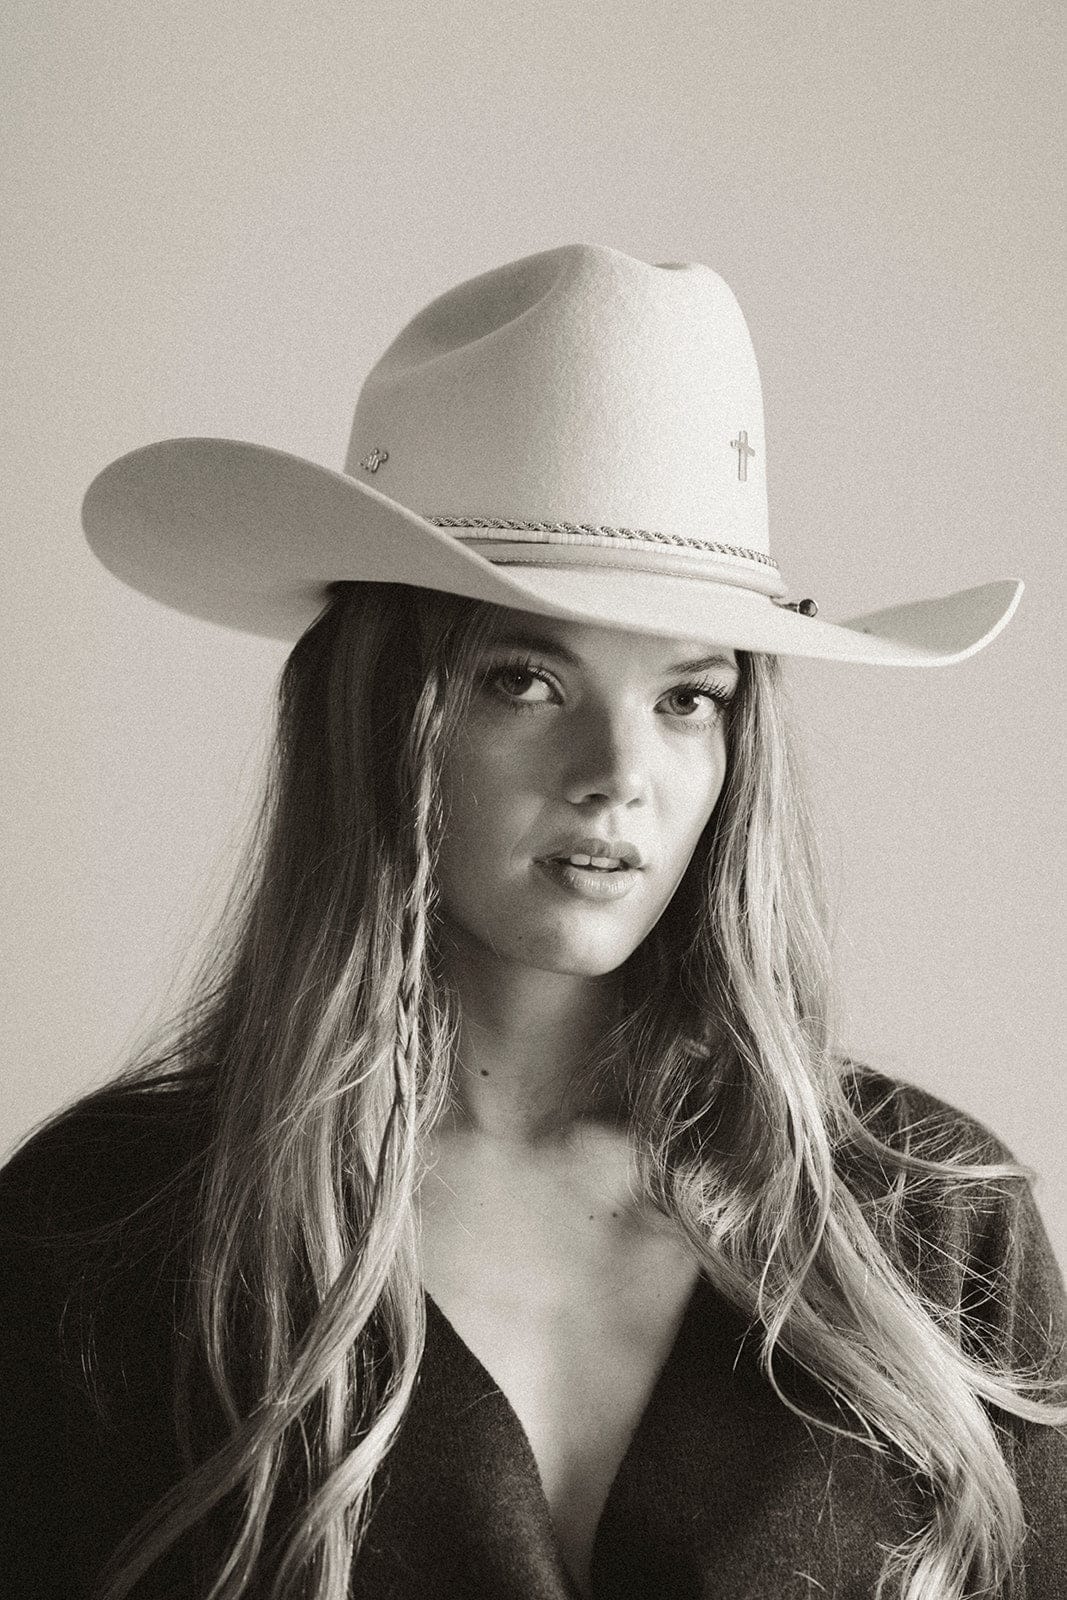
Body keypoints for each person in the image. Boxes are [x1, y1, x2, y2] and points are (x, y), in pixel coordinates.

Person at [1, 242, 1063, 1600]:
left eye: (690, 696)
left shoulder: (928, 1227)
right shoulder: (107, 1238)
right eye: (526, 680)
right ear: (383, 715)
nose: (619, 773)